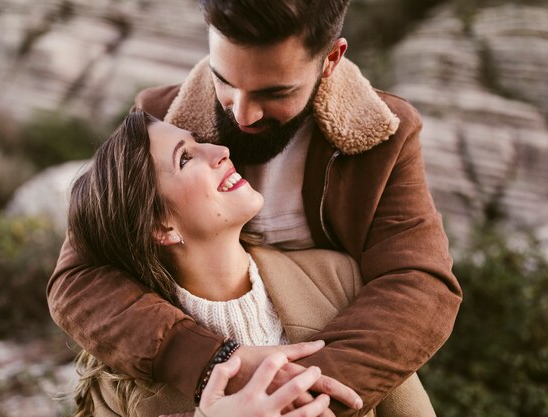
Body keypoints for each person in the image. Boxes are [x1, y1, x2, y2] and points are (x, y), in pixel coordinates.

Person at [48, 0, 463, 414]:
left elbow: (419, 284)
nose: (242, 114)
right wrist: (211, 363)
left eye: (275, 91)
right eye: (223, 80)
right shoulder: (161, 120)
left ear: (331, 60)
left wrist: (297, 397)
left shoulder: (384, 136)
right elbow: (78, 277)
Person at [67, 111, 435, 417]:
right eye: (185, 157)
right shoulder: (117, 384)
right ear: (160, 226)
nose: (221, 150)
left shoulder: (341, 279)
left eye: (198, 142)